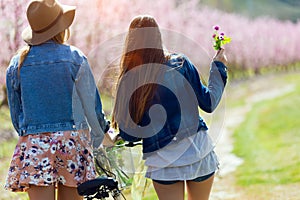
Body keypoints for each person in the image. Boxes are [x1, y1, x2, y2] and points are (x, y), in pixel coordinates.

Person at [4, 0, 113, 199]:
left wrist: (33, 131)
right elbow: (92, 107)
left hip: (36, 144)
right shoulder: (74, 58)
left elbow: (16, 114)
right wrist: (104, 132)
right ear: (61, 27)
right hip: (73, 142)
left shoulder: (17, 64)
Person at [112, 15, 228, 200]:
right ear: (158, 37)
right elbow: (209, 102)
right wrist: (219, 66)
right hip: (197, 150)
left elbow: (131, 134)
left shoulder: (130, 78)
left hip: (163, 161)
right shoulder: (180, 64)